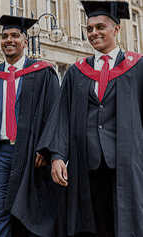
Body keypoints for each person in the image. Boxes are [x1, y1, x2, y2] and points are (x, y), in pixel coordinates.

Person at [37, 1, 143, 236]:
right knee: (92, 226)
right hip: (86, 166)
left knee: (127, 224)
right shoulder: (77, 72)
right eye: (89, 29)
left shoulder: (137, 67)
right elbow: (61, 117)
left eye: (100, 27)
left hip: (127, 164)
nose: (94, 33)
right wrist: (56, 156)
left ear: (116, 29)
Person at [0, 15, 63, 237]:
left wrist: (46, 149)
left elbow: (53, 115)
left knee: (28, 213)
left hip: (31, 156)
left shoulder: (43, 73)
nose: (9, 40)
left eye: (14, 36)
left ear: (25, 41)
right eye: (4, 36)